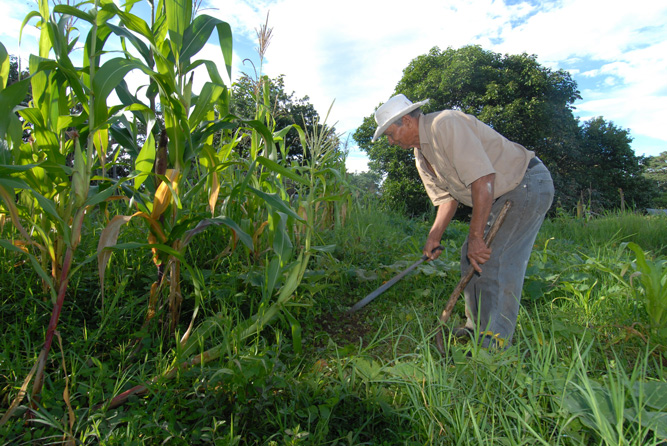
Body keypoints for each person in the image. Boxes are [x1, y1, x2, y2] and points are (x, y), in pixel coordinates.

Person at [372, 94, 554, 349]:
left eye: (391, 134)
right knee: (470, 256)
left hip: (525, 183)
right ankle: (476, 328)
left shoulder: (445, 125)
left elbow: (483, 180)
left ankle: (495, 344)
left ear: (406, 121)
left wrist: (477, 238)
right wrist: (434, 236)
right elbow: (447, 199)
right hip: (499, 194)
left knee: (495, 259)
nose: (390, 142)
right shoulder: (421, 155)